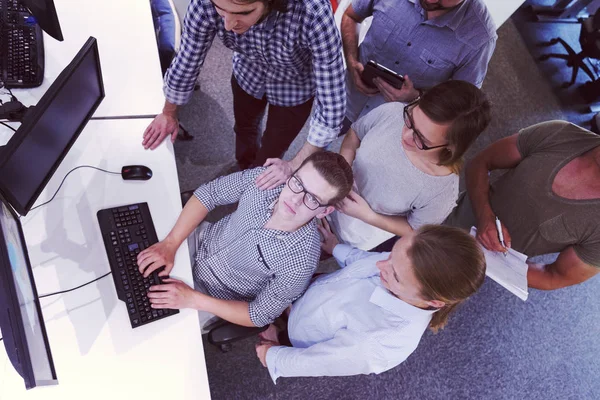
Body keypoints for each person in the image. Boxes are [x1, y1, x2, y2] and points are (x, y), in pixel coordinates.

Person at [142, 0, 346, 189]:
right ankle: (245, 167)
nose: (228, 25)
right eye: (220, 10)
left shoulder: (312, 10)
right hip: (248, 74)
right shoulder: (206, 2)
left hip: (295, 87)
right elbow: (187, 60)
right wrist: (169, 113)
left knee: (273, 148)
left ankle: (255, 184)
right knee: (244, 128)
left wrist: (293, 165)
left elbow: (332, 103)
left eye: (243, 12)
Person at [136, 151, 353, 328]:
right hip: (194, 242)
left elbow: (258, 315)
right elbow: (210, 194)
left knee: (143, 326)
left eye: (312, 199)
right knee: (126, 258)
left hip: (211, 295)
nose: (295, 199)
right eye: (298, 183)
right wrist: (171, 244)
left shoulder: (301, 263)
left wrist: (192, 299)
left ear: (324, 212)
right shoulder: (267, 180)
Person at [254, 224, 486, 382]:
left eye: (394, 275)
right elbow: (365, 261)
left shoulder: (379, 343)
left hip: (301, 333)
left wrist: (273, 355)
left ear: (432, 301)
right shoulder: (402, 264)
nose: (380, 266)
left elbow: (316, 362)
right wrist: (336, 247)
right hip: (313, 292)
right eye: (389, 255)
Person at [328, 80, 491, 251]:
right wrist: (342, 176)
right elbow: (354, 133)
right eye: (410, 120)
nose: (405, 136)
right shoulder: (392, 113)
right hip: (327, 194)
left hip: (354, 236)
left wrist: (368, 215)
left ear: (451, 148)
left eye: (421, 139)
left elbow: (414, 230)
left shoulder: (441, 191)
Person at [445, 120, 600, 290]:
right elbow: (481, 162)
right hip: (443, 217)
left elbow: (554, 277)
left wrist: (488, 263)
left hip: (465, 269)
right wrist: (485, 216)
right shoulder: (560, 133)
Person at [341, 0, 496, 125]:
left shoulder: (480, 38)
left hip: (389, 129)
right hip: (343, 98)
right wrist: (351, 60)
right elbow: (351, 16)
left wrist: (416, 98)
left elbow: (461, 104)